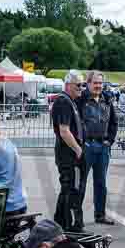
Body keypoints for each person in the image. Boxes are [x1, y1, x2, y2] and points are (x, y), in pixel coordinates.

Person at [79, 70, 118, 226]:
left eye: (100, 83)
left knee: (101, 183)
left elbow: (114, 122)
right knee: (81, 182)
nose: (98, 86)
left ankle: (100, 215)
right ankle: (77, 217)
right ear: (88, 84)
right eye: (95, 83)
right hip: (87, 146)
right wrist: (81, 143)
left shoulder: (107, 101)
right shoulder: (81, 100)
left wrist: (110, 140)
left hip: (103, 147)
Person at [51, 70, 87, 232]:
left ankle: (60, 223)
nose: (81, 88)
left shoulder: (70, 101)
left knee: (69, 188)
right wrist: (78, 150)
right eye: (78, 85)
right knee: (69, 189)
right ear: (68, 85)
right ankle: (65, 225)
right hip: (68, 155)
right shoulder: (63, 102)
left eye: (82, 85)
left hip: (71, 153)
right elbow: (64, 131)